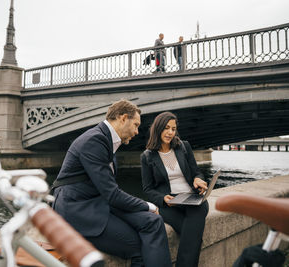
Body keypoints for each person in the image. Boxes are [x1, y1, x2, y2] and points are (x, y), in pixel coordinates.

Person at [52, 99, 172, 267]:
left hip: (96, 202)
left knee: (153, 222)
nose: (137, 132)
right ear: (123, 118)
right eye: (135, 125)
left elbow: (109, 191)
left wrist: (147, 209)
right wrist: (149, 205)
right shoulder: (94, 141)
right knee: (139, 246)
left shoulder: (106, 140)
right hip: (77, 210)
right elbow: (112, 194)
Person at [140, 111, 209, 267]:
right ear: (157, 129)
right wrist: (162, 199)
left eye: (173, 128)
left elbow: (196, 172)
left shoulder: (184, 147)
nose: (170, 132)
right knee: (193, 236)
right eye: (166, 128)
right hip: (169, 202)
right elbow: (148, 189)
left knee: (199, 209)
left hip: (191, 197)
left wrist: (198, 179)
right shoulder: (147, 157)